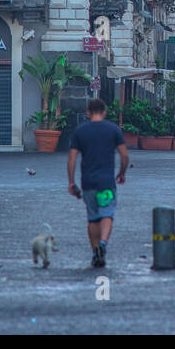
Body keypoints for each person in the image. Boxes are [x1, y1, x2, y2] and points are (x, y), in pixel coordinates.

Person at [68, 98, 130, 268]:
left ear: (88, 113)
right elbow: (124, 156)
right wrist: (122, 173)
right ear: (104, 112)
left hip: (88, 182)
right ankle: (103, 243)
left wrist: (71, 182)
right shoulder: (113, 129)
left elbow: (72, 159)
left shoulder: (80, 131)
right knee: (107, 213)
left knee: (93, 218)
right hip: (106, 183)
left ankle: (96, 252)